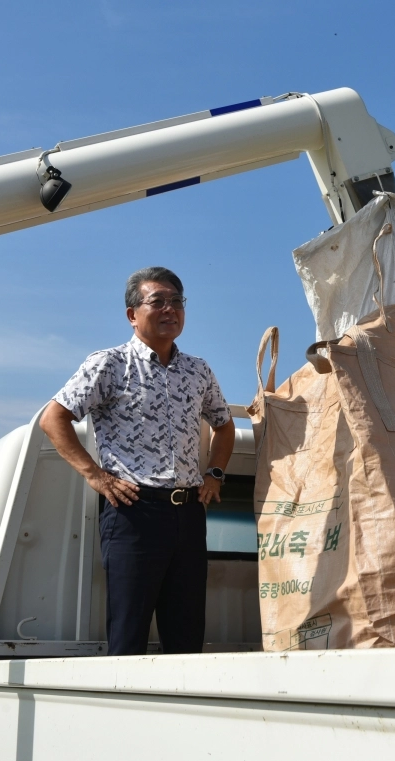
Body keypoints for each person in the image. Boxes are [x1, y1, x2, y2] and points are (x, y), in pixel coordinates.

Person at [40, 266, 235, 655]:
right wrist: (97, 477)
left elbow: (224, 426)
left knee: (187, 637)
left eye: (177, 301)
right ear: (132, 314)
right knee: (129, 635)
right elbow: (53, 419)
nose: (170, 309)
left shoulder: (198, 370)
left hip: (188, 514)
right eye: (157, 301)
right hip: (133, 512)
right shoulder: (109, 364)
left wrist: (213, 474)